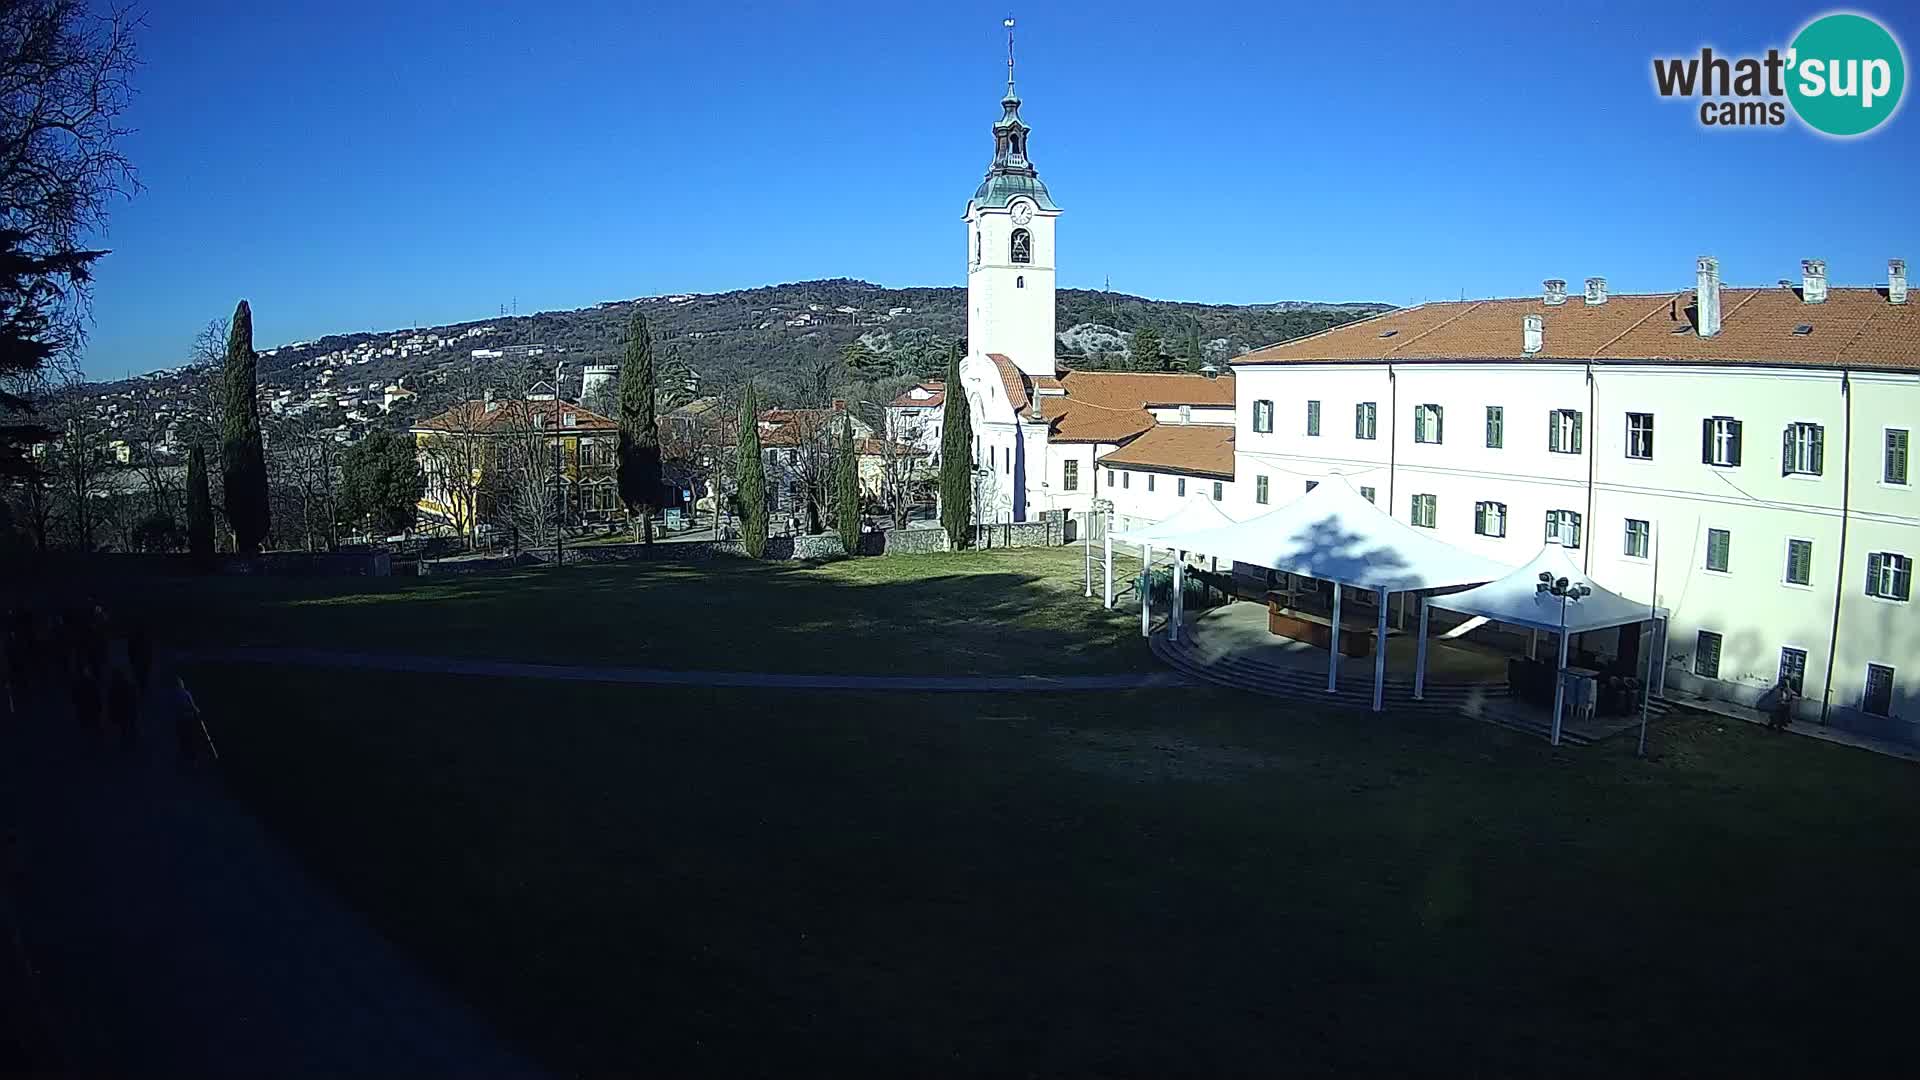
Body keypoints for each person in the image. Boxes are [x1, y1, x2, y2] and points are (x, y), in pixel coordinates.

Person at [172, 677, 208, 764]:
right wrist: (197, 710)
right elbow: (192, 705)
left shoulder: (174, 695)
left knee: (182, 738)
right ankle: (192, 758)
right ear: (181, 684)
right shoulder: (186, 693)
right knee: (190, 738)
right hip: (188, 718)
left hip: (180, 719)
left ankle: (184, 756)